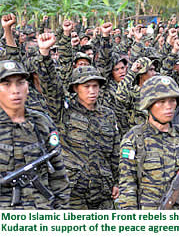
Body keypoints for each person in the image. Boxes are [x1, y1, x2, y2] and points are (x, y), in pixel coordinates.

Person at [36, 33, 120, 209]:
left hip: (103, 191)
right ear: (75, 88)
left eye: (95, 86)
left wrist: (116, 181)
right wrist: (45, 54)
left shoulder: (108, 114)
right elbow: (51, 86)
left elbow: (114, 152)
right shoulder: (63, 112)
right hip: (73, 192)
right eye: (86, 86)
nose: (92, 91)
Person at [118, 75, 179, 209]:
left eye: (172, 101)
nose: (169, 107)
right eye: (162, 101)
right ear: (148, 104)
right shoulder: (134, 139)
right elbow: (127, 187)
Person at [0, 59, 70, 209]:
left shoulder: (41, 122)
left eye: (20, 82)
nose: (15, 90)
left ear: (27, 87)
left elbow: (58, 174)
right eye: (6, 84)